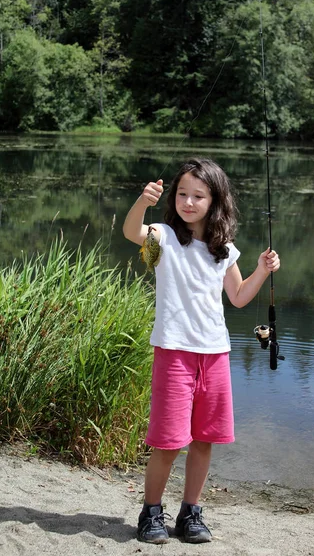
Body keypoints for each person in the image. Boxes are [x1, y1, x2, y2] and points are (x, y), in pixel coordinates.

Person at [122, 158, 280, 545]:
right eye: (182, 194)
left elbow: (239, 298)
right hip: (174, 351)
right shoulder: (162, 235)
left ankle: (190, 512)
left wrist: (262, 269)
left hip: (214, 353)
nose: (188, 202)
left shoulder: (223, 248)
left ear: (215, 201)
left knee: (204, 439)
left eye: (198, 196)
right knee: (168, 440)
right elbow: (130, 231)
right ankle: (151, 512)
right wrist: (143, 201)